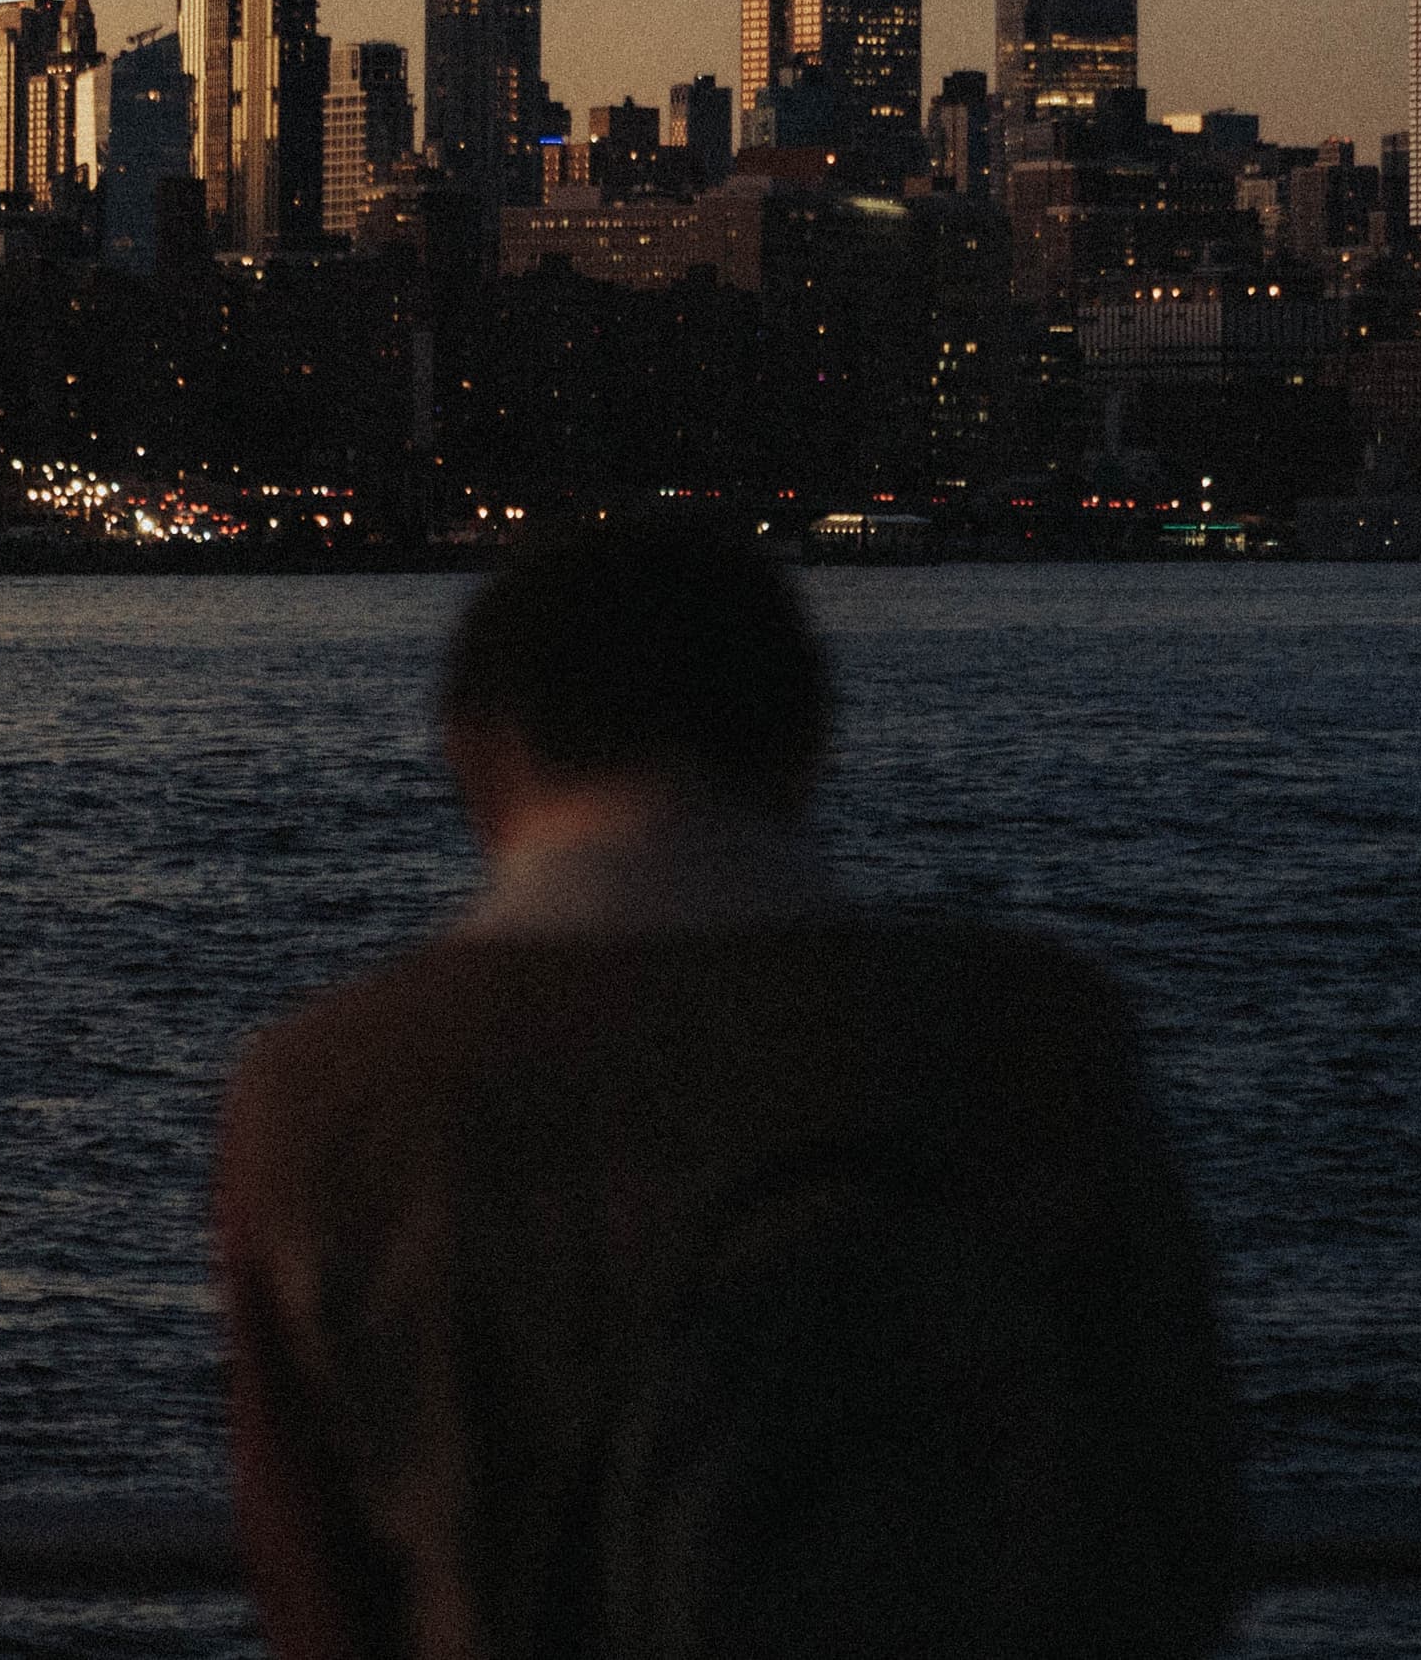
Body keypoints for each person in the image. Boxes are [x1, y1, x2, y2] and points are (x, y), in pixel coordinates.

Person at [212, 531, 1246, 1660]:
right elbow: (1175, 1491)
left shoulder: (329, 1090)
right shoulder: (1036, 1037)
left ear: (471, 749)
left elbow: (311, 1576)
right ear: (808, 739)